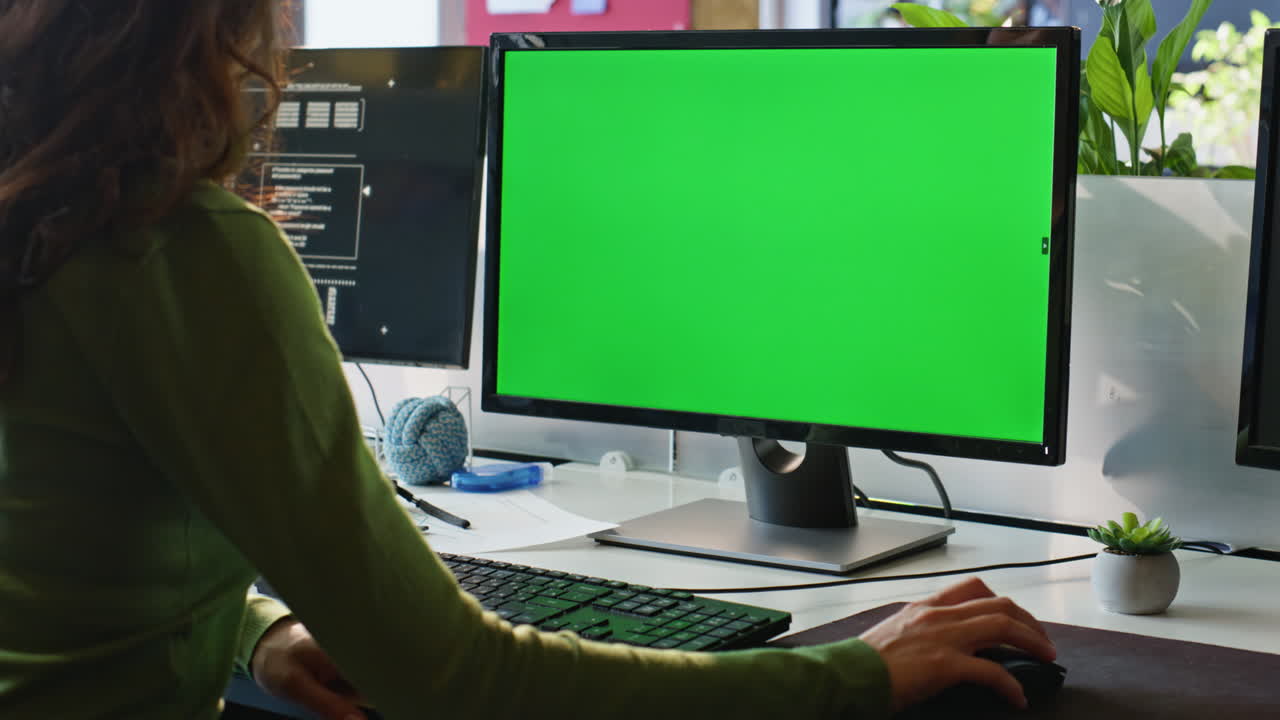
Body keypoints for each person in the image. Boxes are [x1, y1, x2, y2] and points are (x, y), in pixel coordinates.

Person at [0, 2, 1057, 718]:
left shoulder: (40, 227)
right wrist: (856, 674)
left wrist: (257, 629)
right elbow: (459, 679)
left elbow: (57, 546)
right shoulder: (174, 252)